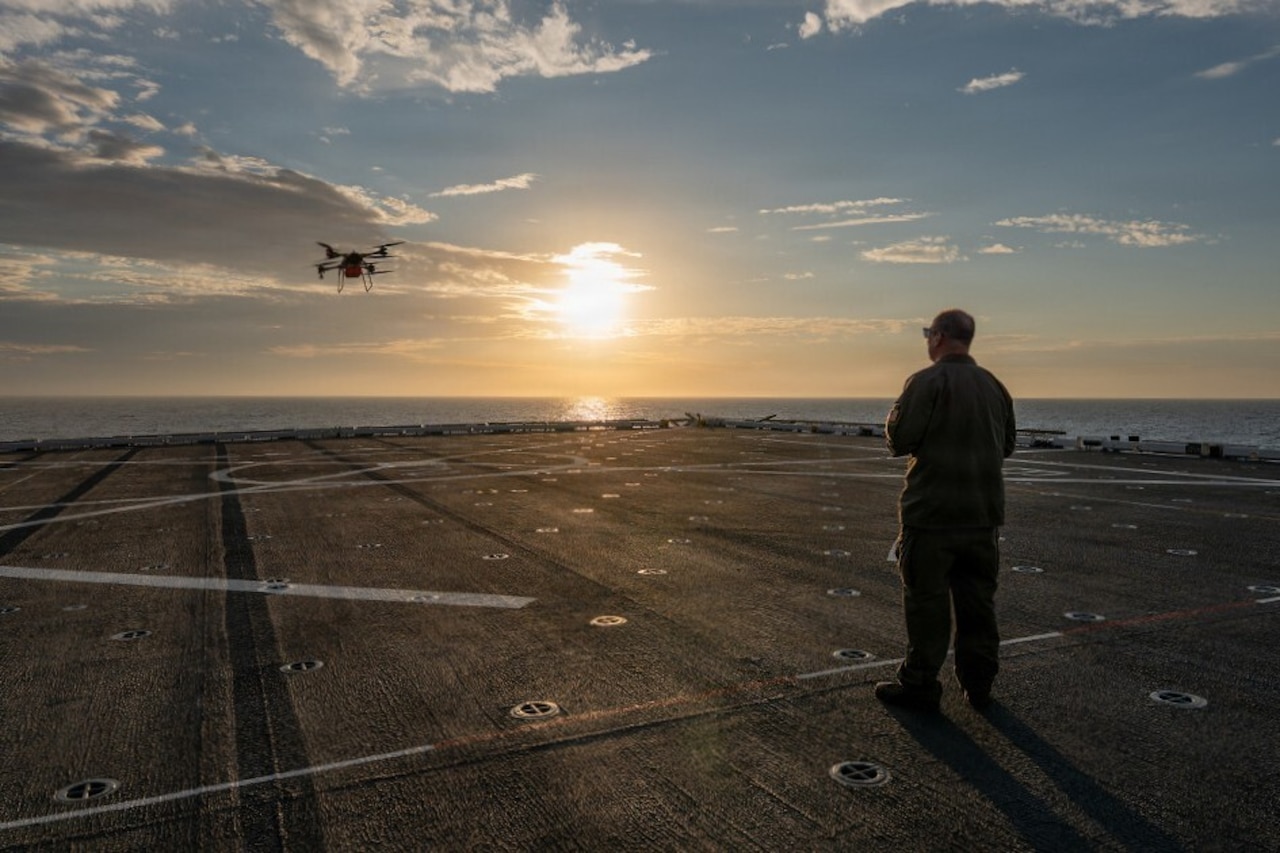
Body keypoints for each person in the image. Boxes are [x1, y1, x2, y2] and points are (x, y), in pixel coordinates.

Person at [876, 308, 1016, 712]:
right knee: (978, 606)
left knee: (927, 605)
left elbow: (900, 439)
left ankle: (920, 683)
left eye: (928, 333)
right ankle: (979, 685)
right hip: (982, 518)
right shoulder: (994, 386)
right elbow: (1006, 445)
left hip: (932, 516)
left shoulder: (925, 382)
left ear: (938, 336)